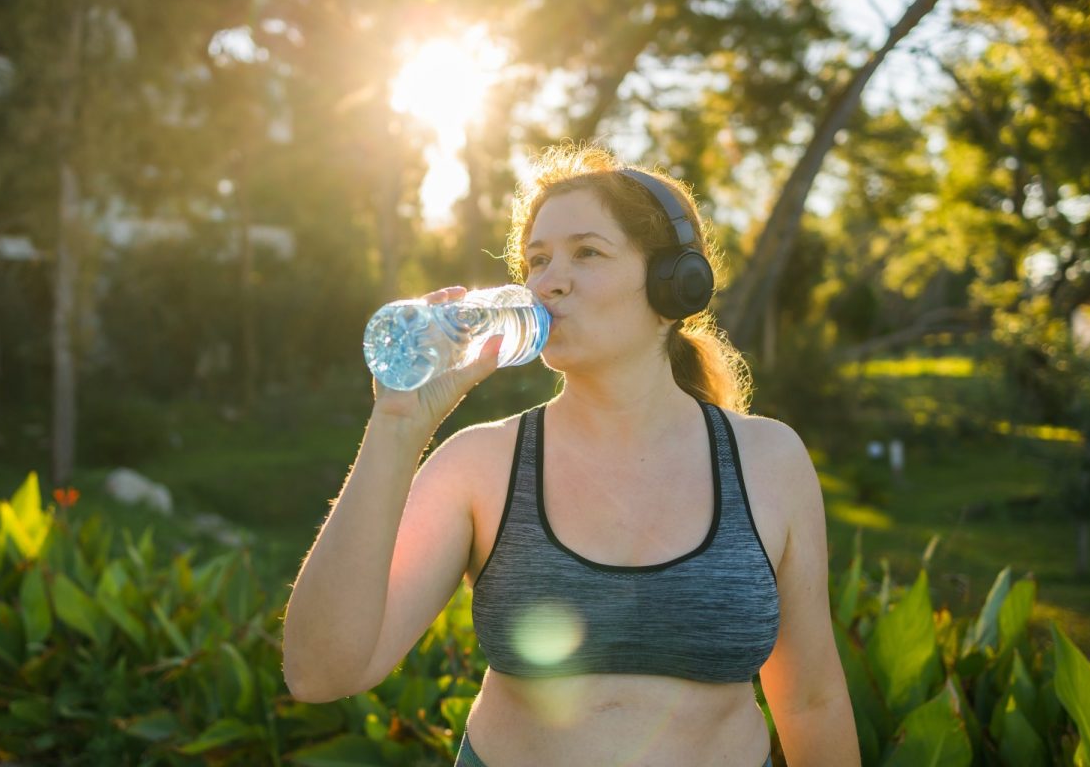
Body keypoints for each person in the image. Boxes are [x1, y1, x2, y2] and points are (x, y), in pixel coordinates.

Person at [282, 144, 861, 767]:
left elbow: (810, 701)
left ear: (675, 284)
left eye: (587, 252)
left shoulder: (768, 460)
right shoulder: (482, 464)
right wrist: (398, 424)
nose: (548, 280)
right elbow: (321, 673)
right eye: (537, 259)